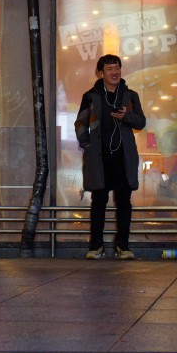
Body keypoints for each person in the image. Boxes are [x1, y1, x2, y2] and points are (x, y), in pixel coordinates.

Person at [75, 54, 146, 260]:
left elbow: (140, 122)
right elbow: (80, 123)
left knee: (124, 201)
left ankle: (122, 246)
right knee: (99, 201)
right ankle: (96, 246)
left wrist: (127, 116)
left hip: (123, 157)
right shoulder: (91, 96)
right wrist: (86, 143)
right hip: (100, 158)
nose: (114, 72)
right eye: (109, 69)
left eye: (117, 68)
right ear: (100, 73)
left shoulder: (130, 95)